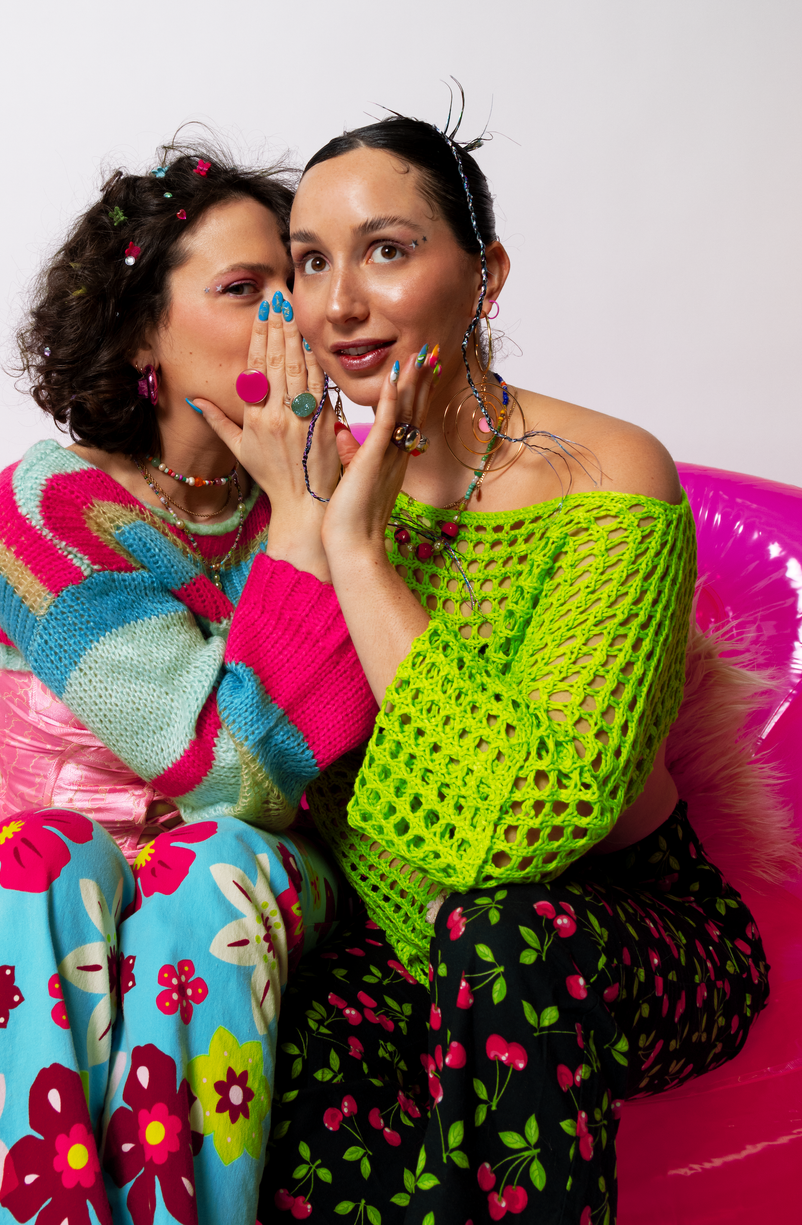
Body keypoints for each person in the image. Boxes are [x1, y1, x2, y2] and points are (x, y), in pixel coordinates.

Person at [248, 115, 771, 1225]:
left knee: (495, 939)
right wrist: (305, 524)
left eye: (387, 250)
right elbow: (262, 775)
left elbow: (524, 827)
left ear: (483, 275)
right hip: (394, 942)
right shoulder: (305, 487)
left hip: (615, 924)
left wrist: (359, 554)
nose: (339, 303)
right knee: (273, 1033)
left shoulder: (605, 480)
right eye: (311, 262)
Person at [0, 145, 379, 1225]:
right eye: (244, 289)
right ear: (140, 338)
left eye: (297, 280)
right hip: (52, 888)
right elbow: (210, 758)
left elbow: (238, 799)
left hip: (252, 876)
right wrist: (305, 524)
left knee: (206, 864)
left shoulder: (349, 490)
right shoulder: (50, 507)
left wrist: (307, 514)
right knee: (26, 861)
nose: (292, 317)